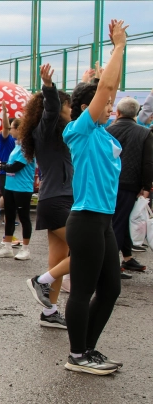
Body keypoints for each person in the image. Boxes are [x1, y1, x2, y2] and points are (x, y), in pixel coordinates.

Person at [61, 23, 128, 374]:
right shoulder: (80, 131)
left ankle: (88, 348)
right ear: (88, 107)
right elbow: (105, 89)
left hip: (104, 221)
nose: (111, 107)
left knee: (112, 289)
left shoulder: (103, 133)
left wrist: (104, 70)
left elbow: (106, 86)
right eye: (106, 104)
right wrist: (119, 46)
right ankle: (76, 355)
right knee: (83, 290)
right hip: (85, 219)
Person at [20, 64, 74, 329]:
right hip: (58, 200)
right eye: (69, 105)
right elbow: (51, 109)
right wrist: (49, 87)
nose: (71, 109)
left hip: (58, 198)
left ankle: (50, 312)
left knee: (57, 258)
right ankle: (39, 281)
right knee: (89, 249)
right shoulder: (46, 129)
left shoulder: (59, 133)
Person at [108, 96, 153, 273]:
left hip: (109, 183)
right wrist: (146, 186)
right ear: (136, 114)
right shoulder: (144, 133)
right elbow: (148, 163)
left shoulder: (108, 131)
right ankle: (111, 266)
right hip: (130, 185)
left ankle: (127, 258)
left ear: (117, 113)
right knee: (119, 223)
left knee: (119, 220)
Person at [0, 128, 34, 261]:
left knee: (24, 217)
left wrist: (0, 167)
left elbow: (16, 167)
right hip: (10, 186)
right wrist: (1, 164)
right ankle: (7, 247)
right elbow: (10, 164)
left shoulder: (27, 148)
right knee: (9, 217)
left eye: (13, 128)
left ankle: (25, 249)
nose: (11, 131)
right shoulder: (17, 146)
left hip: (22, 188)